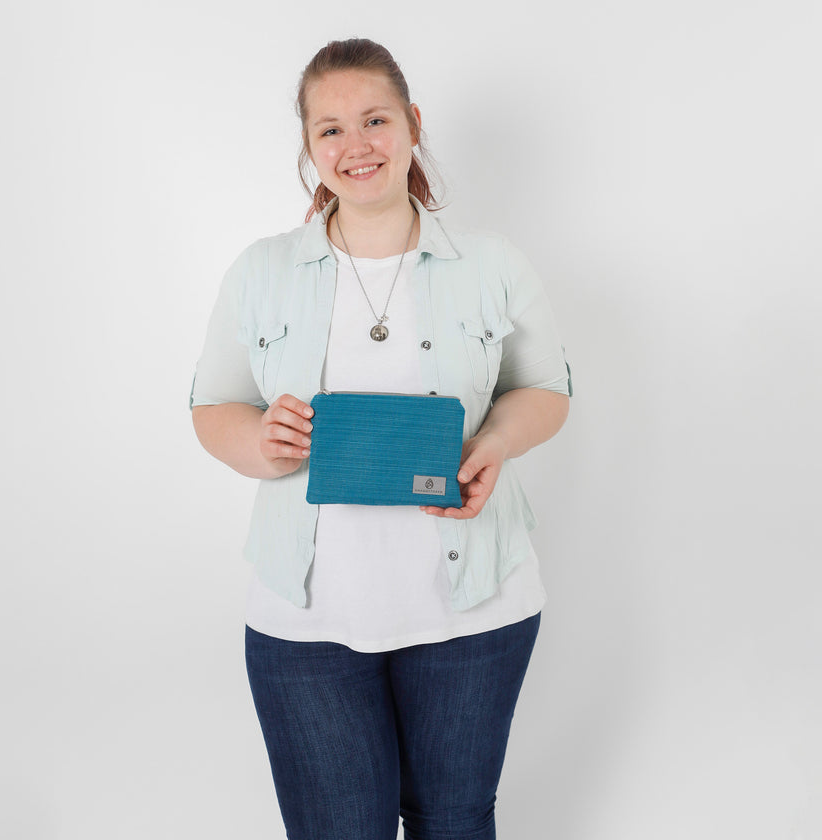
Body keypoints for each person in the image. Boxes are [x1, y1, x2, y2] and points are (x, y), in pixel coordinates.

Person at [191, 37, 571, 840]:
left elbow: (547, 389)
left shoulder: (491, 263)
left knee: (455, 822)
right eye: (329, 129)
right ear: (308, 146)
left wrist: (493, 444)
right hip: (307, 624)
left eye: (374, 119)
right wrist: (262, 442)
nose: (354, 145)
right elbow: (211, 405)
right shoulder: (260, 272)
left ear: (412, 125)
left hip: (476, 614)